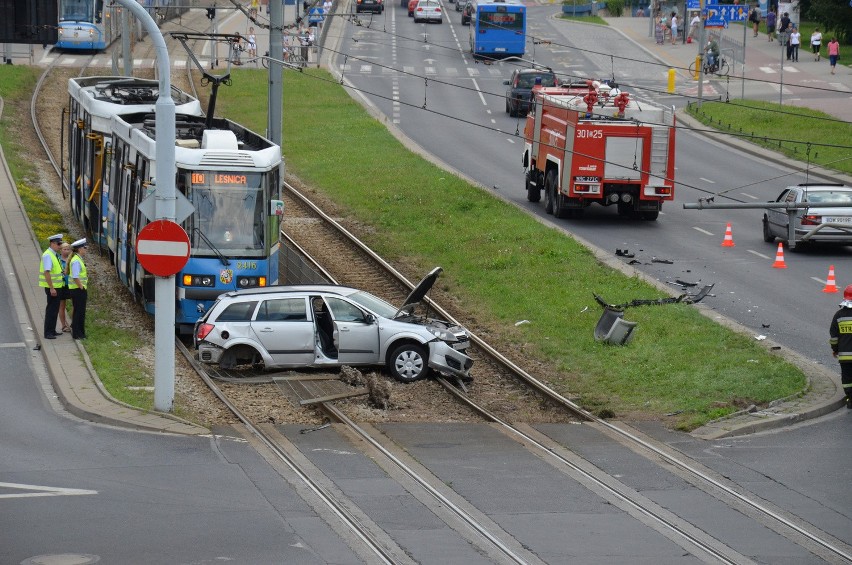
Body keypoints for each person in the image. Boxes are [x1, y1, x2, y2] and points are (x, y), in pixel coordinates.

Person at [829, 285, 852, 409]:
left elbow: (834, 336)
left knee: (847, 379)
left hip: (845, 356)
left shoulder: (839, 315)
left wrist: (835, 349)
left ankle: (850, 399)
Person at [39, 233, 64, 339]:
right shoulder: (48, 255)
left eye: (60, 244)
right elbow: (47, 272)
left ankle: (52, 330)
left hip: (57, 286)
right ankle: (48, 332)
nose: (60, 246)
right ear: (52, 243)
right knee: (51, 310)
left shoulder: (53, 254)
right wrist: (52, 288)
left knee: (54, 309)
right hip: (52, 288)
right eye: (58, 244)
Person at [68, 238, 89, 340]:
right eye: (85, 248)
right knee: (78, 312)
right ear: (80, 249)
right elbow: (75, 276)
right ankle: (77, 334)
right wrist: (81, 287)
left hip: (78, 289)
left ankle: (80, 333)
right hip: (78, 290)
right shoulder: (76, 260)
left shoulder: (77, 258)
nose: (86, 249)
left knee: (80, 312)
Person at [58, 241, 73, 333]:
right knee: (62, 306)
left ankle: (72, 323)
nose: (66, 251)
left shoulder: (72, 260)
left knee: (75, 304)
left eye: (68, 249)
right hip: (62, 285)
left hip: (71, 285)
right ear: (61, 250)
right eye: (64, 249)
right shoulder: (58, 260)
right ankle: (63, 325)